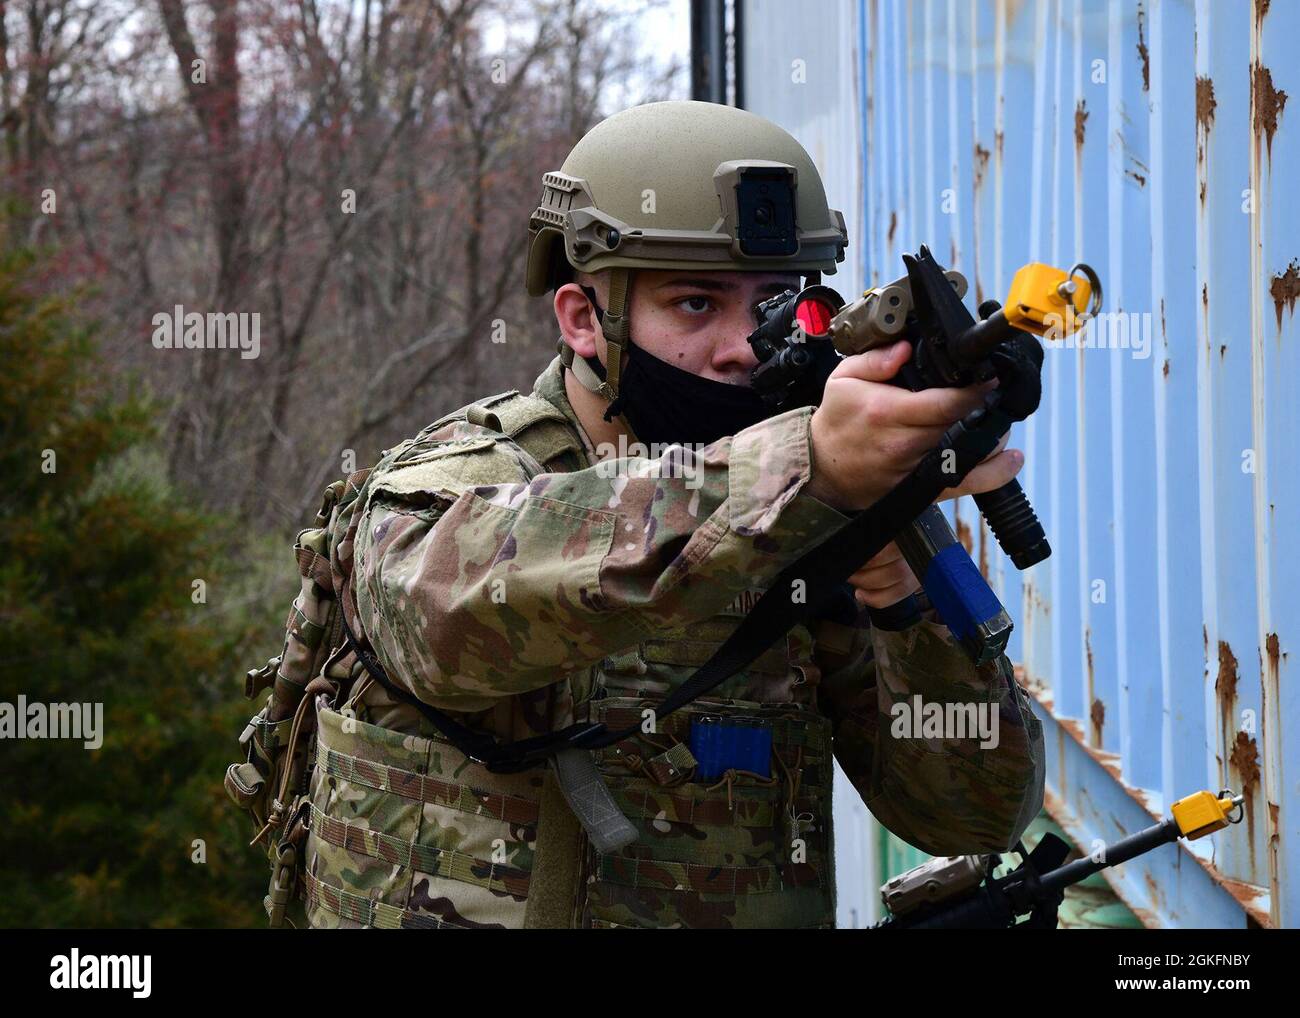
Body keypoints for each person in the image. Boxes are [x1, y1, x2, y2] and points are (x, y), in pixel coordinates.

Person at [300, 99, 1045, 929]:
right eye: (696, 304)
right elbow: (448, 620)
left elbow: (972, 817)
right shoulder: (458, 484)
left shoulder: (815, 503)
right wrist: (807, 469)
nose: (740, 348)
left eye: (776, 307)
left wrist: (893, 580)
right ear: (585, 320)